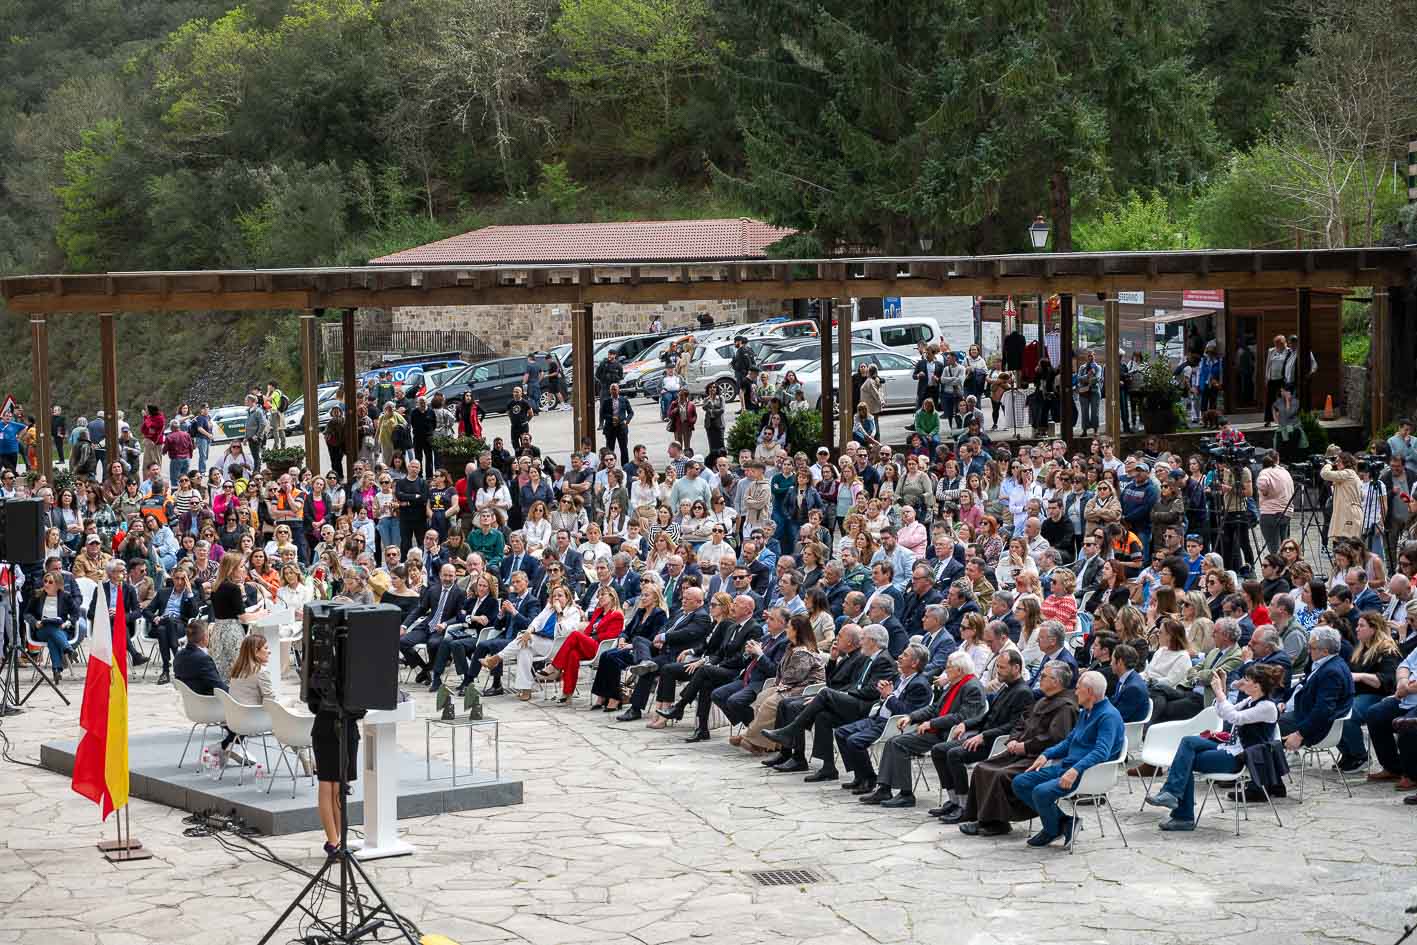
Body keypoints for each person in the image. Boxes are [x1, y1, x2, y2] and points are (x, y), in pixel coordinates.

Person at [1144, 663, 1288, 830]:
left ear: (1256, 685)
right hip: (1229, 747)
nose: (1242, 681)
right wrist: (1224, 688)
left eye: (1246, 679)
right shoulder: (1250, 700)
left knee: (1186, 761)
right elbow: (1222, 713)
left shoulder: (1267, 707)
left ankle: (1182, 814)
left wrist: (1220, 692)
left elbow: (1235, 718)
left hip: (1238, 758)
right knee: (1188, 742)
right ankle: (1172, 795)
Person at [956, 660, 1080, 837]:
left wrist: (1025, 746)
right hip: (1019, 750)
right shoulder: (1043, 700)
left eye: (1044, 677)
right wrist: (1014, 740)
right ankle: (982, 818)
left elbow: (1055, 738)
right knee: (982, 767)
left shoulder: (1066, 706)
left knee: (1001, 774)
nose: (1040, 680)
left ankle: (997, 823)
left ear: (1056, 681)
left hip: (1038, 756)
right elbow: (1021, 723)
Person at [1010, 669, 1125, 846]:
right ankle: (1065, 823)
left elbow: (1102, 752)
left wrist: (1075, 770)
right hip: (1067, 767)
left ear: (1089, 692)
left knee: (1041, 792)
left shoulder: (1108, 716)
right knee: (1020, 782)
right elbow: (1069, 741)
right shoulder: (1086, 711)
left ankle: (1051, 829)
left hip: (1087, 773)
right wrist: (1046, 754)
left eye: (1078, 688)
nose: (1075, 691)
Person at [863, 650, 988, 808]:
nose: (945, 670)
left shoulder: (972, 687)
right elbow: (935, 708)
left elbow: (962, 717)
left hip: (947, 735)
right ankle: (884, 789)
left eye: (948, 667)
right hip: (938, 730)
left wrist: (931, 724)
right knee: (892, 741)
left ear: (959, 670)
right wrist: (912, 717)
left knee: (898, 743)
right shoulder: (956, 685)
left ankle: (906, 794)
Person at [481, 585, 584, 700]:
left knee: (525, 639)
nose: (556, 599)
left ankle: (496, 658)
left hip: (559, 646)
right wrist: (529, 631)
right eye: (554, 596)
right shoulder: (549, 607)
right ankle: (526, 689)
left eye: (560, 596)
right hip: (541, 642)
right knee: (524, 649)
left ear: (568, 598)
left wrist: (560, 611)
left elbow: (565, 631)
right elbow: (537, 621)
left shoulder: (573, 612)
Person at [542, 585, 625, 703]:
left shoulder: (617, 615)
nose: (599, 598)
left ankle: (554, 667)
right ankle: (567, 693)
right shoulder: (598, 612)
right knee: (572, 654)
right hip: (590, 644)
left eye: (602, 595)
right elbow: (588, 630)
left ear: (612, 597)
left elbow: (611, 635)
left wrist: (590, 638)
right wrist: (586, 637)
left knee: (575, 634)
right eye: (598, 596)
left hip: (601, 648)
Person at [143, 566, 200, 684]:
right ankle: (176, 654)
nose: (179, 582)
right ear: (172, 579)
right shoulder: (163, 592)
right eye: (177, 578)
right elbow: (146, 610)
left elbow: (194, 614)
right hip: (160, 625)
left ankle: (165, 671)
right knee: (164, 627)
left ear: (187, 580)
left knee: (165, 626)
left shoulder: (192, 594)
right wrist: (154, 618)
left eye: (183, 579)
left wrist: (189, 593)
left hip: (179, 625)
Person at [23, 571, 81, 682]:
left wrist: (67, 623)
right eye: (45, 581)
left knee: (52, 639)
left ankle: (56, 670)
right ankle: (68, 650)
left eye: (50, 582)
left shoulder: (65, 596)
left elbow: (76, 613)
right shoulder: (38, 595)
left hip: (60, 629)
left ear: (58, 585)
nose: (46, 584)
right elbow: (27, 613)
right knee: (49, 627)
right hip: (41, 630)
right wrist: (35, 622)